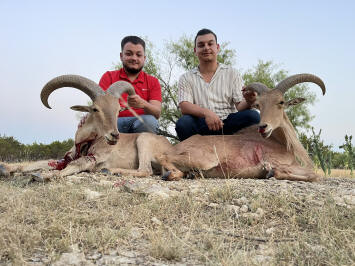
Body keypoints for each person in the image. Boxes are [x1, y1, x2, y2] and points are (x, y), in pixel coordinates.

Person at [175, 29, 260, 141]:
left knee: (253, 116)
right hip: (202, 124)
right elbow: (184, 106)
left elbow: (239, 105)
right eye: (201, 45)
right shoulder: (186, 77)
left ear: (217, 47)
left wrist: (249, 100)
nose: (206, 48)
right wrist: (207, 113)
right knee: (183, 123)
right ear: (195, 50)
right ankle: (195, 153)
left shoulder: (232, 73)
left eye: (210, 44)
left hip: (228, 124)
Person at [99, 36, 162, 133]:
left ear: (144, 58)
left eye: (139, 55)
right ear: (121, 56)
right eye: (129, 54)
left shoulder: (153, 81)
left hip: (140, 123)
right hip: (114, 123)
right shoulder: (108, 76)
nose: (134, 58)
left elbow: (157, 113)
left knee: (150, 121)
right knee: (96, 123)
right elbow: (100, 106)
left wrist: (143, 104)